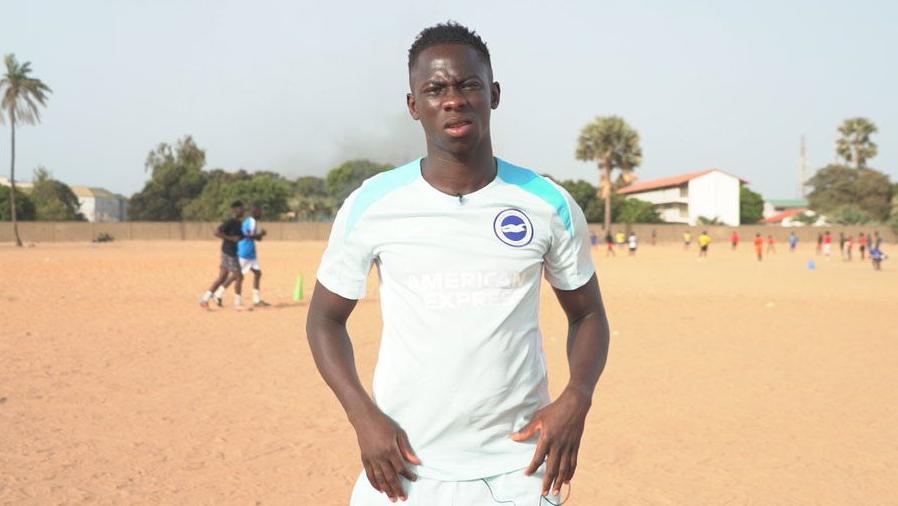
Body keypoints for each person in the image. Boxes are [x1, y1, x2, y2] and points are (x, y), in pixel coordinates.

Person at [306, 22, 610, 505]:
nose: (453, 100)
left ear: (493, 94)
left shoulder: (547, 202)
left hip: (519, 469)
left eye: (468, 85)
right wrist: (362, 415)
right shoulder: (373, 203)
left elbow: (588, 313)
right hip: (405, 466)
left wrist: (578, 396)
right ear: (414, 105)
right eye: (435, 89)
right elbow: (324, 319)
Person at [199, 201, 246, 310]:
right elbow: (217, 232)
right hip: (229, 253)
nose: (243, 210)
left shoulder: (239, 223)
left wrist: (245, 236)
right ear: (235, 210)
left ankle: (205, 299)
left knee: (222, 277)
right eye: (241, 208)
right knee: (239, 276)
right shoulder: (230, 222)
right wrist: (231, 238)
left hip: (229, 251)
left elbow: (239, 236)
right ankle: (238, 303)